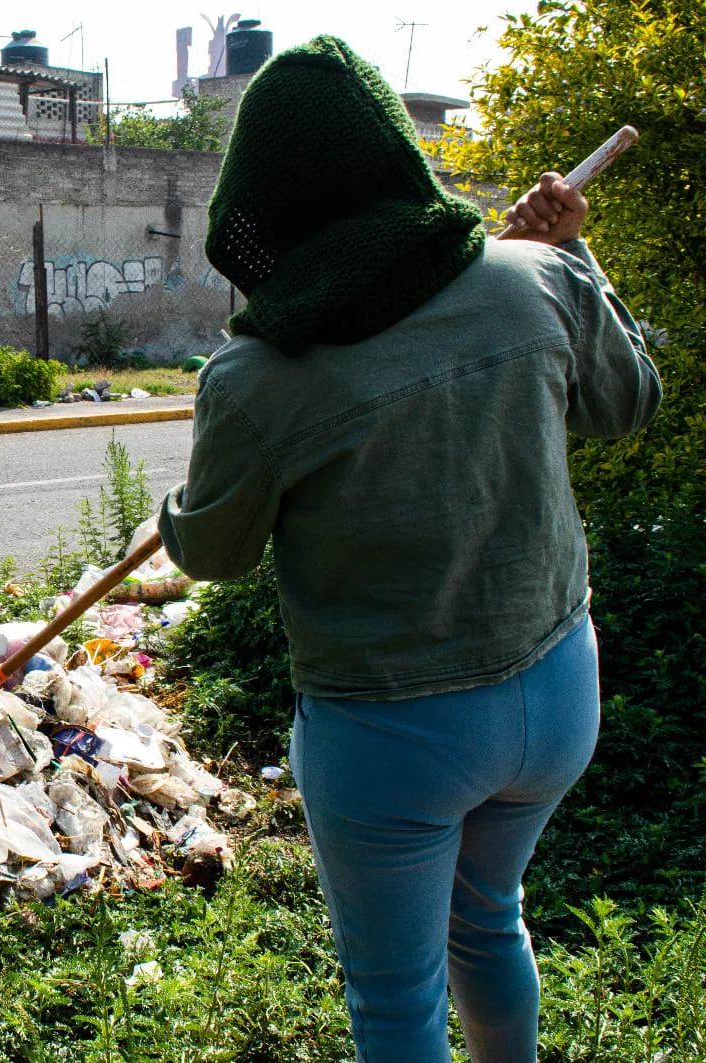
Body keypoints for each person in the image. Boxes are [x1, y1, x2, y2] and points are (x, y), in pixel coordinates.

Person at [156, 37, 661, 1063]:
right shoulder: (531, 280)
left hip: (392, 733)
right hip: (556, 694)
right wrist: (572, 254)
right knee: (489, 915)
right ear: (396, 154)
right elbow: (628, 400)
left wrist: (175, 510)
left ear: (262, 207)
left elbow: (210, 553)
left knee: (393, 1000)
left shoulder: (255, 378)